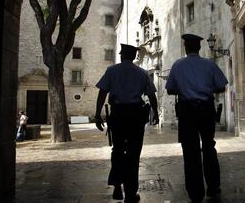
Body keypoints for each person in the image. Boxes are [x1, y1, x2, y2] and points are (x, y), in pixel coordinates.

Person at [165, 34, 228, 202]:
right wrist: (206, 88)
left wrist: (184, 89)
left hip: (187, 111)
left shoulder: (178, 66)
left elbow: (170, 89)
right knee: (209, 146)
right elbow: (222, 86)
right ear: (199, 47)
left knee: (190, 151)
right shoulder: (209, 65)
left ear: (186, 47)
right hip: (206, 109)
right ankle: (213, 186)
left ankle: (195, 192)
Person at [94, 43, 159, 202]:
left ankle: (117, 186)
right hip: (136, 116)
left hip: (118, 115)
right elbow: (151, 95)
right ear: (135, 56)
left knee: (117, 150)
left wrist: (97, 114)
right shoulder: (142, 73)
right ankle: (131, 192)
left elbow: (102, 92)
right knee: (133, 153)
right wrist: (156, 112)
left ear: (122, 55)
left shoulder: (112, 71)